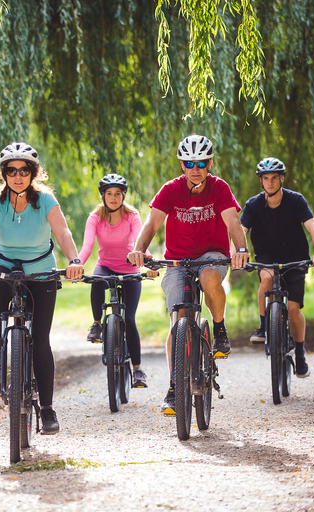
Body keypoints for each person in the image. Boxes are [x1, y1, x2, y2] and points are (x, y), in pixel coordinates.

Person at [0, 142, 84, 435]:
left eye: (24, 170)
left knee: (41, 340)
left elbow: (62, 232)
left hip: (41, 269)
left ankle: (48, 410)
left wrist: (74, 260)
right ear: (4, 174)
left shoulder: (46, 200)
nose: (18, 175)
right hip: (5, 264)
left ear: (33, 173)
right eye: (11, 170)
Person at [127, 134, 250, 416]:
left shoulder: (219, 188)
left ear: (209, 164)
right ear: (183, 165)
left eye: (202, 162)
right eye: (190, 163)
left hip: (212, 255)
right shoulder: (171, 190)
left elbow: (233, 221)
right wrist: (139, 251)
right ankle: (174, 386)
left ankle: (218, 329)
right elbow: (152, 223)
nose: (196, 168)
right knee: (178, 321)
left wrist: (241, 249)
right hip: (178, 260)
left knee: (209, 277)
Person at [240, 157, 314, 378]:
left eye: (274, 178)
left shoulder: (296, 200)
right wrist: (238, 252)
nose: (270, 182)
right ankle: (263, 325)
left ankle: (299, 353)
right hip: (267, 255)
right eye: (266, 178)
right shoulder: (253, 205)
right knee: (266, 279)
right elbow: (241, 231)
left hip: (295, 257)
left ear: (282, 179)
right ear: (261, 181)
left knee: (295, 309)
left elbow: (313, 227)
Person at [78, 173, 158, 388]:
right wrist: (77, 263)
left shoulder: (132, 216)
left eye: (117, 194)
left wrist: (147, 262)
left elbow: (140, 243)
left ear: (123, 196)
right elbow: (87, 247)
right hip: (105, 266)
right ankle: (96, 325)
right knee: (96, 280)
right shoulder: (95, 217)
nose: (113, 198)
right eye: (109, 194)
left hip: (129, 268)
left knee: (129, 318)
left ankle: (137, 369)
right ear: (103, 196)